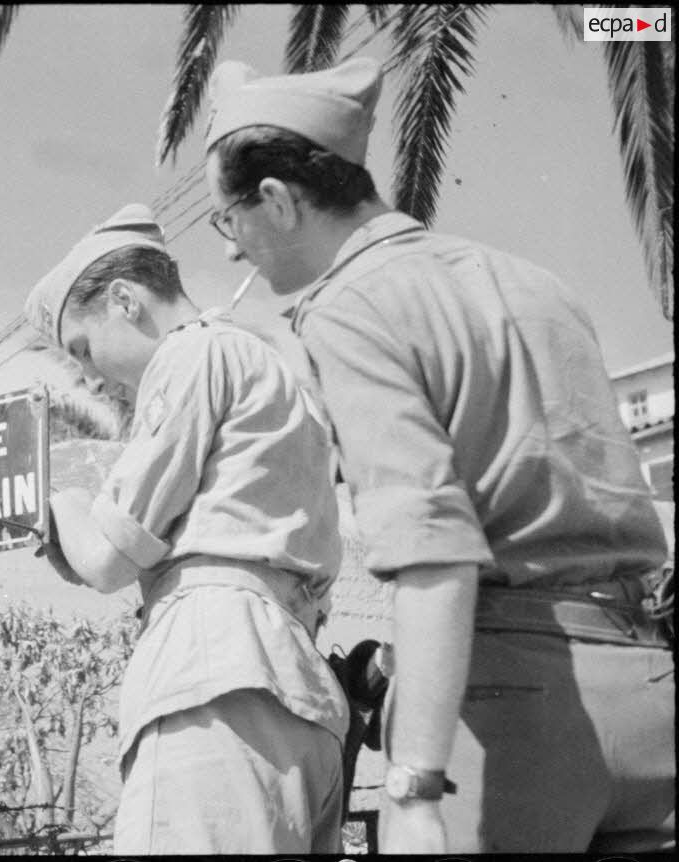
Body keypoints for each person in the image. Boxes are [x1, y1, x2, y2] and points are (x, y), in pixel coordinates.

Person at [203, 57, 674, 854]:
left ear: (277, 200)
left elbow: (434, 556)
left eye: (228, 221)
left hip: (511, 713)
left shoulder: (351, 307)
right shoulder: (534, 283)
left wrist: (414, 784)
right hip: (649, 686)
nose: (232, 252)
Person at [19, 204, 349, 853]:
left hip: (215, 681)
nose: (90, 376)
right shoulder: (268, 370)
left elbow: (107, 557)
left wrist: (60, 502)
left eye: (83, 348)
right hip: (296, 694)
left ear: (124, 300)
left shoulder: (191, 353)